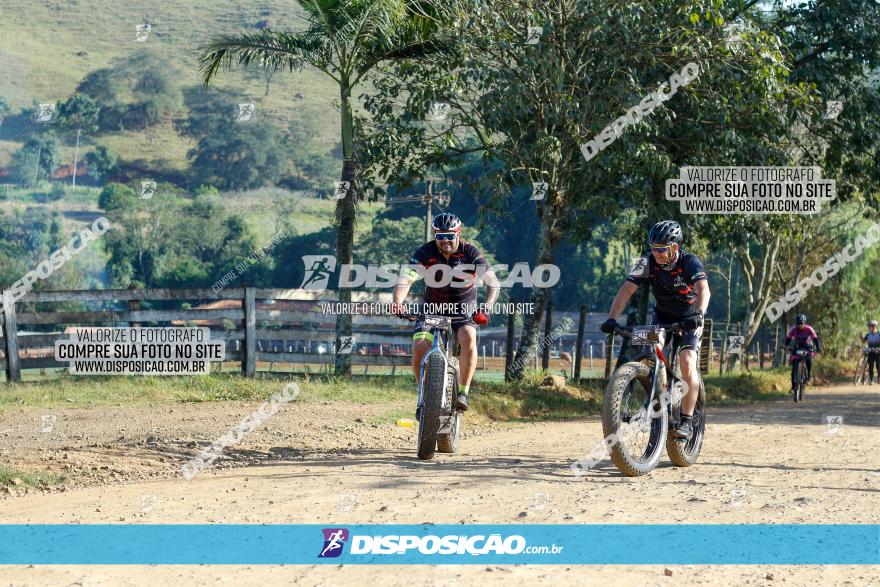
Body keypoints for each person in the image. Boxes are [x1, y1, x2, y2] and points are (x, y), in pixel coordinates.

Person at [600, 220, 710, 442]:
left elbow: (703, 289)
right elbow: (627, 289)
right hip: (662, 316)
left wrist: (698, 314)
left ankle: (687, 422)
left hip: (689, 317)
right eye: (653, 247)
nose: (656, 253)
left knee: (687, 361)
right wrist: (612, 318)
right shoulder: (646, 262)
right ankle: (659, 397)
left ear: (674, 248)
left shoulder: (690, 262)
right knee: (649, 353)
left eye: (661, 249)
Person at [391, 212, 500, 412]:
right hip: (433, 308)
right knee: (418, 345)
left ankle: (464, 393)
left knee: (468, 336)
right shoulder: (425, 252)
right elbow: (405, 280)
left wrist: (487, 306)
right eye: (440, 236)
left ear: (458, 234)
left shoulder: (470, 252)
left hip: (464, 307)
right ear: (435, 236)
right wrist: (398, 301)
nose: (445, 240)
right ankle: (423, 397)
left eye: (450, 235)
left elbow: (493, 284)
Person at [785, 314, 821, 393]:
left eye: (801, 323)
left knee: (809, 360)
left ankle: (808, 375)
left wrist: (818, 347)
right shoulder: (794, 330)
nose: (800, 325)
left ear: (805, 323)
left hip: (808, 347)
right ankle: (793, 387)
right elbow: (788, 339)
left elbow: (815, 338)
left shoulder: (809, 329)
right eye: (798, 323)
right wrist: (786, 346)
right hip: (798, 347)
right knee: (794, 367)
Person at [860, 319, 880, 383]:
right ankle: (871, 379)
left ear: (874, 327)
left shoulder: (879, 334)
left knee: (878, 366)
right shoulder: (868, 335)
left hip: (878, 352)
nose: (868, 328)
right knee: (871, 366)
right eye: (868, 327)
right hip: (871, 352)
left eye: (869, 326)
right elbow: (864, 341)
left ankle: (879, 377)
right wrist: (861, 337)